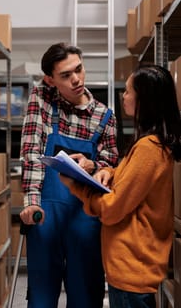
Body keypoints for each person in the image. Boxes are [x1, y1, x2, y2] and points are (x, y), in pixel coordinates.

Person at [60, 64, 181, 308]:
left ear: (143, 100)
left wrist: (77, 186)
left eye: (127, 91)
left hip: (132, 271)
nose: (123, 96)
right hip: (130, 268)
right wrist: (103, 171)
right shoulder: (148, 144)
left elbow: (113, 209)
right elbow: (133, 179)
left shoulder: (149, 149)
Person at [19, 42, 119, 308]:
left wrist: (93, 165)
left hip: (85, 214)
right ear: (50, 80)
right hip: (46, 212)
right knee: (41, 293)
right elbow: (31, 150)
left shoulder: (104, 116)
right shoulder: (41, 98)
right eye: (65, 75)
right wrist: (31, 203)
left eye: (78, 69)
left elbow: (111, 162)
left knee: (85, 293)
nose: (76, 79)